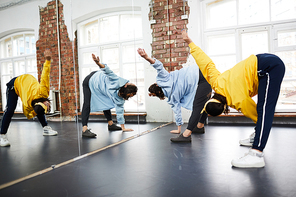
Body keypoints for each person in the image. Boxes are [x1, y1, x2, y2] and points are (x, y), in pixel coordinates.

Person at [181, 30, 285, 168]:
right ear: (211, 97)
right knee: (261, 111)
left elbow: (259, 115)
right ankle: (257, 135)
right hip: (261, 60)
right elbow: (206, 63)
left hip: (269, 68)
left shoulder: (238, 100)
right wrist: (189, 42)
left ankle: (256, 153)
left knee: (264, 110)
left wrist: (260, 124)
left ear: (225, 108)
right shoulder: (216, 83)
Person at [137, 48, 212, 140]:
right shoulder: (164, 78)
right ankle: (199, 127)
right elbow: (159, 66)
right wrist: (146, 57)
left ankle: (186, 134)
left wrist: (178, 129)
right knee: (202, 105)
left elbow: (177, 112)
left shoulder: (172, 98)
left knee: (199, 105)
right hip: (201, 70)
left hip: (201, 76)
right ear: (157, 84)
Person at [0, 49, 58, 147]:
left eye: (46, 106)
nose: (48, 105)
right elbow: (45, 76)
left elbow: (29, 114)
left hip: (24, 83)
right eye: (48, 106)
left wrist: (48, 60)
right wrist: (47, 61)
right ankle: (2, 136)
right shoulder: (41, 94)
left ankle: (45, 128)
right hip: (14, 85)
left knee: (38, 110)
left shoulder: (31, 101)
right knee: (10, 110)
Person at [81, 54, 138, 138]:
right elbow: (107, 70)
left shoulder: (120, 97)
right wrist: (98, 63)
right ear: (125, 87)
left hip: (100, 86)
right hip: (90, 81)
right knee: (87, 104)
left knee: (106, 102)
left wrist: (123, 128)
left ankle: (111, 125)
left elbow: (120, 111)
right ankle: (84, 129)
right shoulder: (116, 80)